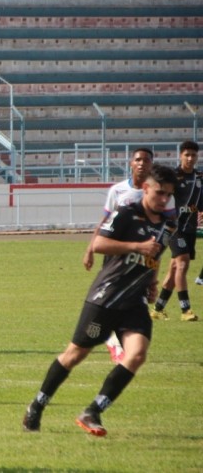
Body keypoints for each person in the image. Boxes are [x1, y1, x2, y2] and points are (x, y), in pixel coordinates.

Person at [23, 165, 177, 437]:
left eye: (168, 195)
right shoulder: (127, 214)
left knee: (137, 354)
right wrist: (136, 247)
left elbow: (155, 256)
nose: (163, 199)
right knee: (75, 354)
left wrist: (152, 282)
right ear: (146, 189)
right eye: (159, 193)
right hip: (105, 298)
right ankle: (37, 405)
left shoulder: (167, 225)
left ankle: (93, 410)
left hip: (134, 303)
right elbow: (100, 244)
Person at [82, 147, 174, 362]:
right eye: (138, 160)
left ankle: (120, 342)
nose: (142, 163)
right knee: (112, 297)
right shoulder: (118, 190)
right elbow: (105, 222)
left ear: (152, 165)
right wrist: (89, 250)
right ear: (131, 163)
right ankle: (114, 340)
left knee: (133, 300)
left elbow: (167, 229)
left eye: (146, 160)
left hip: (144, 259)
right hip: (116, 255)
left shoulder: (161, 196)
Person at [150, 141, 201, 322]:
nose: (190, 158)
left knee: (174, 269)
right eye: (186, 154)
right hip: (173, 227)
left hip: (190, 228)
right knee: (183, 264)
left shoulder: (199, 178)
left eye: (193, 155)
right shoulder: (173, 177)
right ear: (180, 155)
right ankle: (185, 309)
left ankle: (157, 309)